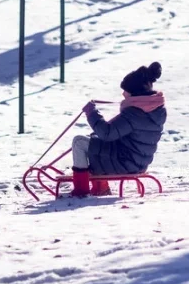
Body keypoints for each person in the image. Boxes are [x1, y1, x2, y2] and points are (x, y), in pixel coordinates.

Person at [71, 62, 167, 197]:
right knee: (94, 140)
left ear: (135, 93)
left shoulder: (134, 113)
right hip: (137, 162)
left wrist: (91, 113)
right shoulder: (155, 110)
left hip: (125, 163)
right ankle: (100, 187)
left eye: (126, 91)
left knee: (79, 142)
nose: (123, 94)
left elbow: (107, 133)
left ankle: (80, 191)